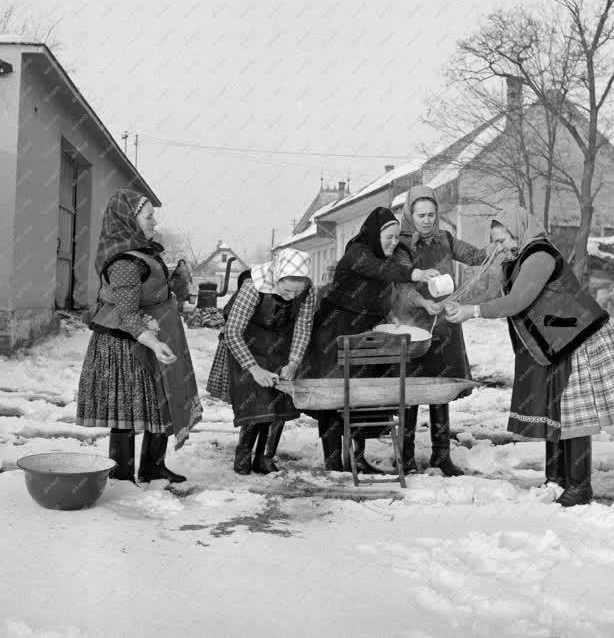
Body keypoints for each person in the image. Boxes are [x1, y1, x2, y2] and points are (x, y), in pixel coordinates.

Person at [446, 205, 614, 506]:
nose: (498, 247)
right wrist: (468, 303)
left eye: (502, 240)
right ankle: (556, 479)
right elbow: (509, 299)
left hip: (580, 338)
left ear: (518, 231)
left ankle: (579, 486)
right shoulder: (518, 258)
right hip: (558, 342)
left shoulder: (539, 256)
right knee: (556, 412)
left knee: (575, 415)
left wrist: (474, 311)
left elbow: (517, 301)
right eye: (495, 241)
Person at [77, 190, 202, 484]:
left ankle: (152, 467)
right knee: (128, 408)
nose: (154, 222)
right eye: (149, 217)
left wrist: (177, 281)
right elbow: (128, 314)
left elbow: (151, 292)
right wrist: (155, 342)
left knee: (158, 402)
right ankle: (121, 473)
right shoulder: (124, 263)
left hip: (148, 338)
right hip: (124, 345)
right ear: (128, 220)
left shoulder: (143, 253)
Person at [304, 207, 440, 472]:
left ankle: (357, 457)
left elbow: (378, 294)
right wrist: (418, 274)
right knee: (334, 395)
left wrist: (391, 316)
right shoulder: (357, 253)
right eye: (388, 236)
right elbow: (380, 271)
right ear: (373, 234)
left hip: (368, 333)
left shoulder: (381, 255)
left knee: (362, 394)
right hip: (336, 330)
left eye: (397, 236)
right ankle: (333, 462)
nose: (394, 242)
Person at [396, 186, 487, 476]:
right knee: (409, 390)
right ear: (410, 214)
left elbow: (473, 256)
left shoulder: (445, 239)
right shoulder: (401, 246)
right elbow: (400, 284)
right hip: (411, 325)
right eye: (420, 215)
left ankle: (441, 454)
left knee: (440, 388)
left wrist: (497, 247)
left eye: (431, 214)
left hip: (444, 324)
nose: (426, 220)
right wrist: (422, 301)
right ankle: (406, 456)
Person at [206, 248, 315, 475]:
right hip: (248, 344)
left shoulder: (307, 290)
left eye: (296, 292)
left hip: (281, 345)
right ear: (276, 277)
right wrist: (254, 369)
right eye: (286, 290)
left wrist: (294, 362)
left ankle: (265, 457)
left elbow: (303, 327)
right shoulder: (253, 287)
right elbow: (232, 332)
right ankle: (243, 455)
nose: (291, 297)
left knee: (278, 400)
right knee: (255, 400)